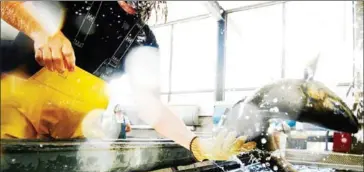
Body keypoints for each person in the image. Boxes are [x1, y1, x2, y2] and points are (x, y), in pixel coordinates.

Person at [0, 1, 253, 162]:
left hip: (64, 147)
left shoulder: (143, 39)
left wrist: (196, 144)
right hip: (10, 120)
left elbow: (151, 106)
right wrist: (43, 32)